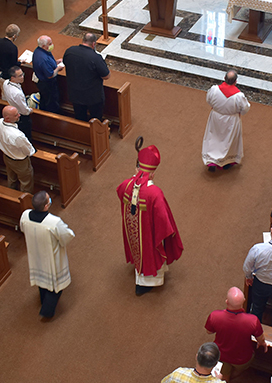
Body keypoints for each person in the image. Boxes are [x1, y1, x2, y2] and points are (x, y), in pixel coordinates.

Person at [117, 144, 183, 296]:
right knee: (150, 253)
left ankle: (140, 277)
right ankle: (145, 285)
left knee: (138, 250)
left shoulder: (126, 184)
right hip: (149, 234)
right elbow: (163, 219)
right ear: (152, 174)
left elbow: (120, 192)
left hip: (132, 231)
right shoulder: (155, 193)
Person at [19, 191, 75, 320]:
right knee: (55, 285)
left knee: (41, 278)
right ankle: (47, 310)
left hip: (35, 253)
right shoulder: (53, 222)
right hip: (51, 256)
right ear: (46, 206)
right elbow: (67, 236)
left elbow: (23, 228)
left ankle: (43, 298)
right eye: (49, 200)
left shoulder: (25, 215)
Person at [204, 287, 266, 382]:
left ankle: (226, 378)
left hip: (221, 355)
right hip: (243, 358)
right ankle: (234, 376)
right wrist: (263, 343)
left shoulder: (215, 316)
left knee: (224, 374)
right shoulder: (253, 320)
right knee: (238, 371)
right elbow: (260, 339)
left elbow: (209, 331)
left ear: (226, 301)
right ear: (244, 301)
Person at [201, 70, 251, 171]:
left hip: (216, 117)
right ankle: (227, 161)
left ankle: (212, 162)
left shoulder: (214, 90)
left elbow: (208, 100)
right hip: (231, 120)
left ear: (224, 78)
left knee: (214, 137)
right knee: (229, 140)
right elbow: (245, 108)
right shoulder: (239, 96)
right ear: (235, 81)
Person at [62, 33, 111, 121]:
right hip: (92, 97)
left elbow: (66, 63)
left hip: (75, 94)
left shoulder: (70, 51)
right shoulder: (95, 57)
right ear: (93, 44)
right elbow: (106, 76)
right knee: (96, 120)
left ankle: (82, 134)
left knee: (80, 118)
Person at [0, 105, 35, 193]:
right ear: (8, 118)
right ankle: (25, 199)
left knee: (11, 177)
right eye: (16, 115)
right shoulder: (17, 135)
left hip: (7, 156)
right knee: (26, 182)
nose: (19, 115)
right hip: (20, 161)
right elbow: (29, 151)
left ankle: (11, 192)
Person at [32, 35, 64, 113]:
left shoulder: (39, 51)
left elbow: (48, 65)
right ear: (43, 46)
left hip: (43, 82)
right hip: (47, 85)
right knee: (51, 103)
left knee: (44, 100)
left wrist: (55, 62)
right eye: (50, 44)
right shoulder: (43, 59)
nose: (52, 45)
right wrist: (58, 68)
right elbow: (50, 75)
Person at [1, 65, 33, 140]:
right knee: (26, 134)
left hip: (13, 106)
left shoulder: (6, 82)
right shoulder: (17, 93)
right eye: (20, 76)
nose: (22, 77)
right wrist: (30, 110)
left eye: (22, 74)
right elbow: (24, 110)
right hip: (21, 116)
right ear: (13, 78)